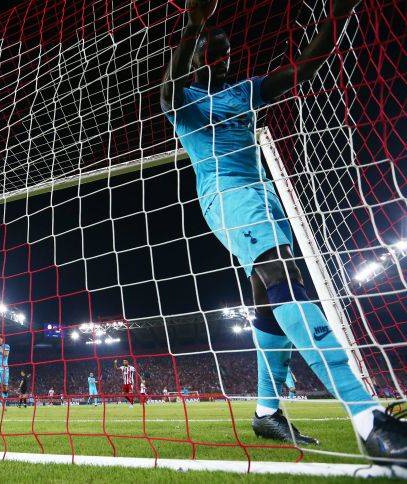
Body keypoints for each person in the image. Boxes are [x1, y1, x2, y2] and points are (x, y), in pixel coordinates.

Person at [160, 0, 407, 459]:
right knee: (283, 278)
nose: (216, 58)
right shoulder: (187, 102)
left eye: (223, 51)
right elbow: (166, 93)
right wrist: (192, 24)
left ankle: (266, 411)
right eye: (207, 51)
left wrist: (337, 16)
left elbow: (302, 70)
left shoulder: (245, 92)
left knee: (267, 302)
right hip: (227, 196)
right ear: (194, 57)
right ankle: (367, 416)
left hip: (264, 196)